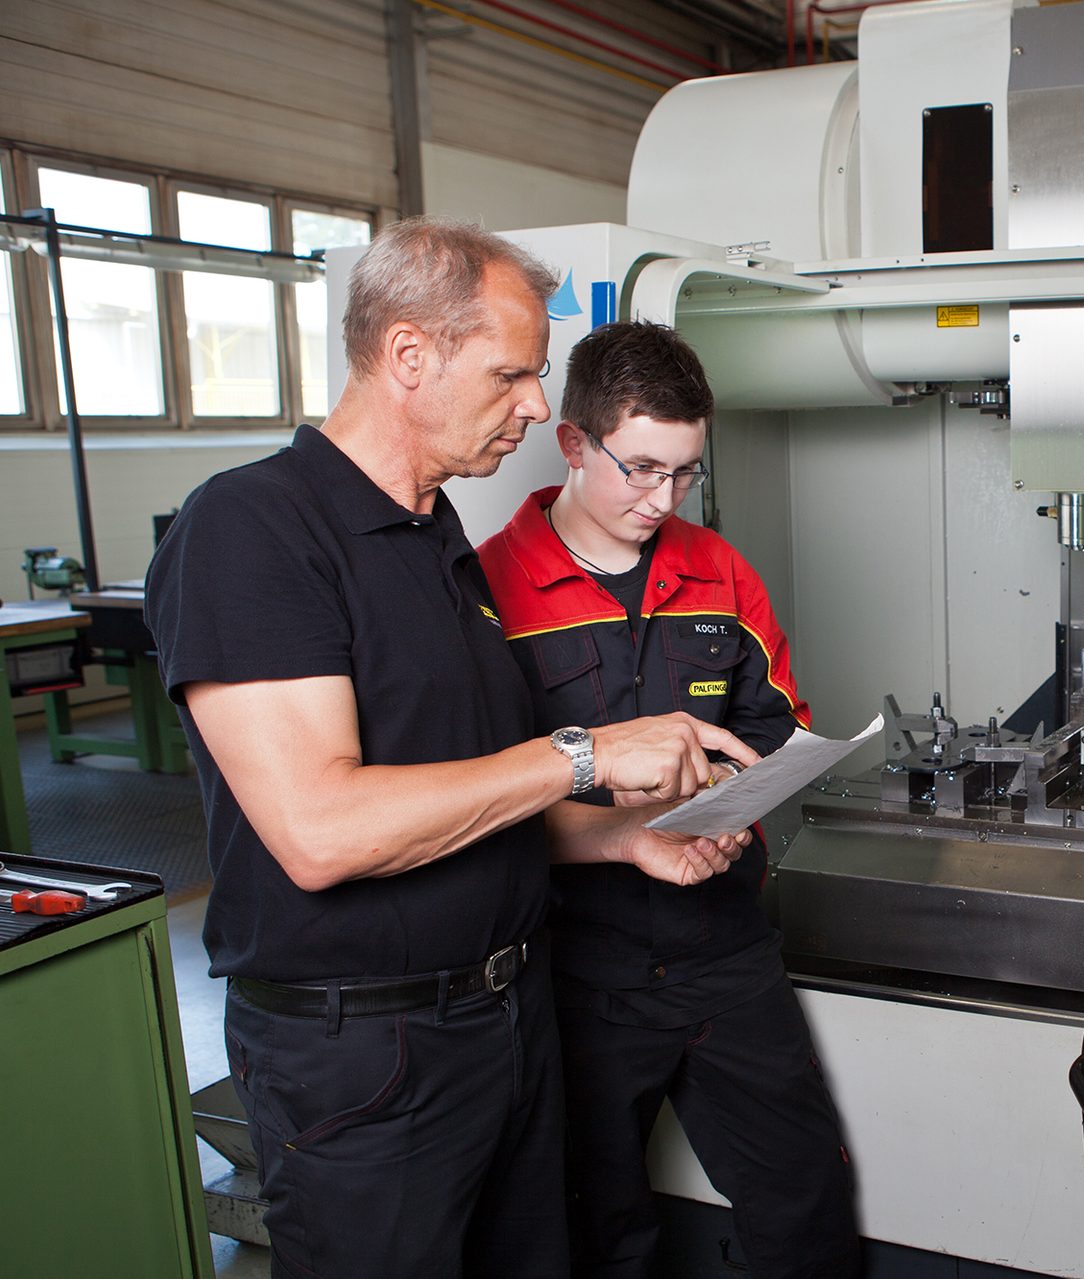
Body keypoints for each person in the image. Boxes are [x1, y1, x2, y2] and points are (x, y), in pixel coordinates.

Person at [144, 218, 759, 1279]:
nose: (536, 407)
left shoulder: (437, 539)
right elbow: (322, 831)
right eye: (513, 373)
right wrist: (585, 753)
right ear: (409, 355)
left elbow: (472, 797)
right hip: (368, 1057)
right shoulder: (253, 529)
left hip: (508, 1023)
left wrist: (621, 840)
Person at [476, 321, 860, 1278]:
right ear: (573, 443)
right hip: (574, 969)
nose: (663, 499)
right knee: (596, 1227)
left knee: (805, 1203)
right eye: (642, 469)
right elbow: (474, 798)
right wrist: (628, 825)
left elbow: (775, 725)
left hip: (724, 947)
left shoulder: (719, 570)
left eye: (685, 472)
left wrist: (726, 803)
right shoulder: (490, 590)